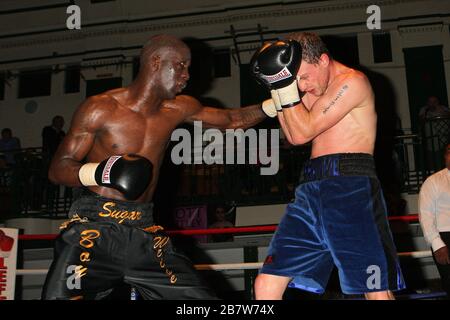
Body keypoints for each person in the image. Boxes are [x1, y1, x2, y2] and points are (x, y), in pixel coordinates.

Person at [41, 34, 268, 300]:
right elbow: (58, 169)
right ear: (156, 62)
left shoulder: (180, 107)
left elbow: (231, 119)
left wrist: (277, 104)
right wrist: (102, 171)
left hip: (145, 234)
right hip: (94, 229)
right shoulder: (100, 108)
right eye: (181, 65)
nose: (187, 75)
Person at [251, 32, 405, 300]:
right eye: (294, 79)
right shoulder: (310, 85)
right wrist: (277, 87)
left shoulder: (353, 82)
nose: (301, 85)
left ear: (323, 60)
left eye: (304, 77)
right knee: (266, 284)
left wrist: (283, 86)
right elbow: (293, 135)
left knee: (374, 289)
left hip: (350, 188)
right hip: (310, 189)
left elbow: (301, 133)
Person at [418, 143, 450, 297]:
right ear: (445, 156)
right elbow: (425, 215)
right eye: (449, 152)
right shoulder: (433, 181)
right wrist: (437, 244)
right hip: (444, 237)